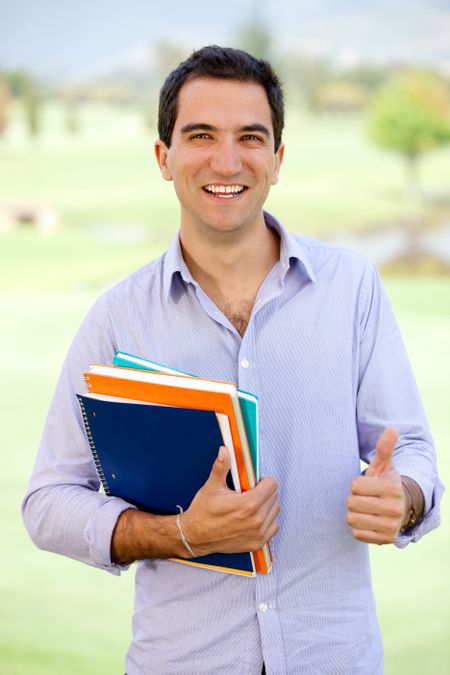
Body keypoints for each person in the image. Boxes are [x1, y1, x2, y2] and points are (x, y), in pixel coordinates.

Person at [23, 46, 443, 675]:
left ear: (277, 159)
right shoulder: (117, 318)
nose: (227, 160)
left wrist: (403, 498)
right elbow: (49, 502)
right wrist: (180, 535)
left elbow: (410, 451)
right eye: (200, 136)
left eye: (251, 136)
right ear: (164, 158)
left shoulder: (352, 286)